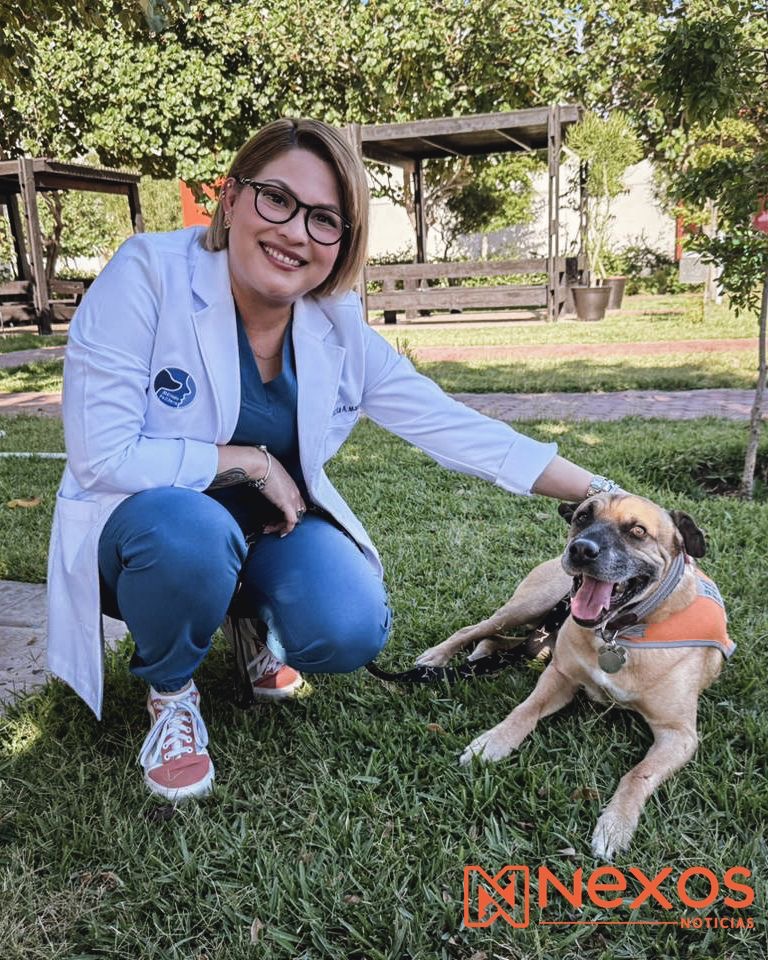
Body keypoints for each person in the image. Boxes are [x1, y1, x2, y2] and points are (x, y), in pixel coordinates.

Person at [46, 118, 618, 802]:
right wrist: (248, 462)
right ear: (231, 199)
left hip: (266, 533)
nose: (295, 233)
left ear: (343, 243)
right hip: (145, 538)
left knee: (347, 625)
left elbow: (457, 429)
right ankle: (172, 695)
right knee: (188, 532)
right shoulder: (147, 275)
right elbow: (102, 453)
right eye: (276, 199)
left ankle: (246, 622)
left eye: (325, 220)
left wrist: (608, 494)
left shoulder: (336, 324)